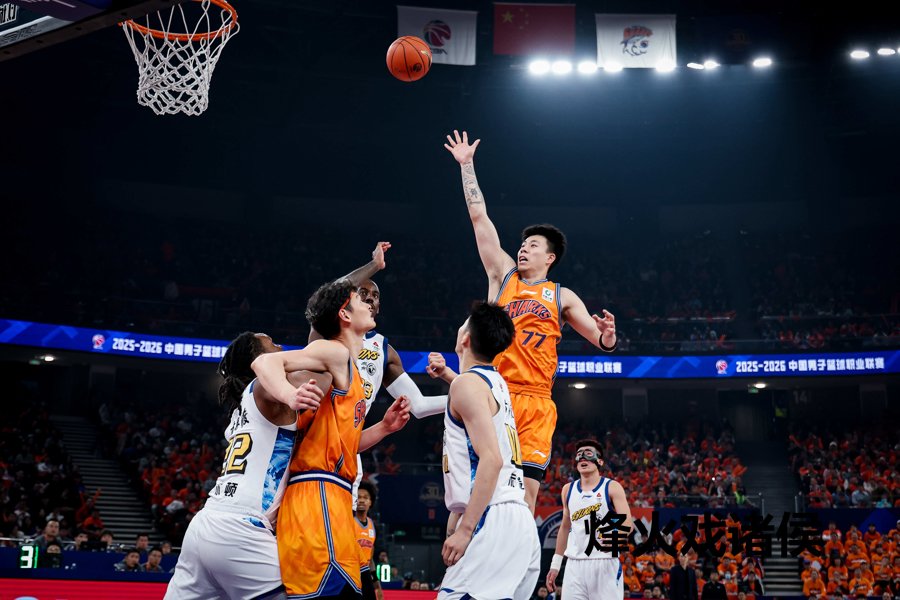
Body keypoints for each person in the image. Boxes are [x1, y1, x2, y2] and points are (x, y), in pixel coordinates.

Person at [431, 130, 618, 514]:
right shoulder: (503, 276)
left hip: (536, 399)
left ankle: (518, 553)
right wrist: (467, 166)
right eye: (522, 244)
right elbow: (479, 217)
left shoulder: (562, 296)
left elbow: (601, 342)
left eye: (533, 245)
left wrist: (608, 335)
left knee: (524, 498)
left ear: (550, 258)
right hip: (495, 391)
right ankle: (468, 545)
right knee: (477, 490)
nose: (523, 248)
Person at [167, 327, 409, 600]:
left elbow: (337, 444)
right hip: (241, 529)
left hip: (205, 526)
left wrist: (383, 428)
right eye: (271, 344)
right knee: (307, 595)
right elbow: (325, 371)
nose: (280, 348)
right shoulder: (266, 390)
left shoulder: (250, 409)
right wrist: (332, 341)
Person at [253, 279, 411, 599]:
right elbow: (264, 361)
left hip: (336, 496)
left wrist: (384, 428)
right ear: (345, 314)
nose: (369, 303)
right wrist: (290, 395)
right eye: (361, 299)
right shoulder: (334, 350)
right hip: (315, 494)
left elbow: (345, 443)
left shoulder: (350, 367)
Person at [437, 301, 540, 599]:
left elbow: (491, 460)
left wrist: (466, 529)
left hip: (491, 516)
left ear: (465, 339)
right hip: (517, 518)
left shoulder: (467, 386)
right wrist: (448, 375)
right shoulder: (495, 382)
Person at [546, 440, 634, 600]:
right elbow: (564, 528)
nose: (582, 457)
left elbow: (628, 523)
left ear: (600, 461)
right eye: (579, 455)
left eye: (588, 453)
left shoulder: (612, 487)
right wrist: (555, 565)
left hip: (604, 561)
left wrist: (614, 538)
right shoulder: (567, 490)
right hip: (574, 565)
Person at [355, 481, 384, 600]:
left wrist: (377, 585)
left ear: (370, 502)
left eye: (365, 498)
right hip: (350, 573)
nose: (361, 500)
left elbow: (370, 560)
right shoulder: (348, 522)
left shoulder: (373, 526)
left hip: (365, 574)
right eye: (358, 497)